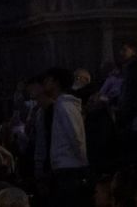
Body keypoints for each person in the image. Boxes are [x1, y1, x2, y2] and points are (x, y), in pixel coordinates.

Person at [37, 68, 91, 207]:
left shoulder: (64, 105)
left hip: (69, 167)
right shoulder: (61, 105)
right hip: (65, 166)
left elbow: (75, 135)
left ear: (56, 82)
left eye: (48, 80)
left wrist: (82, 161)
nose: (44, 83)